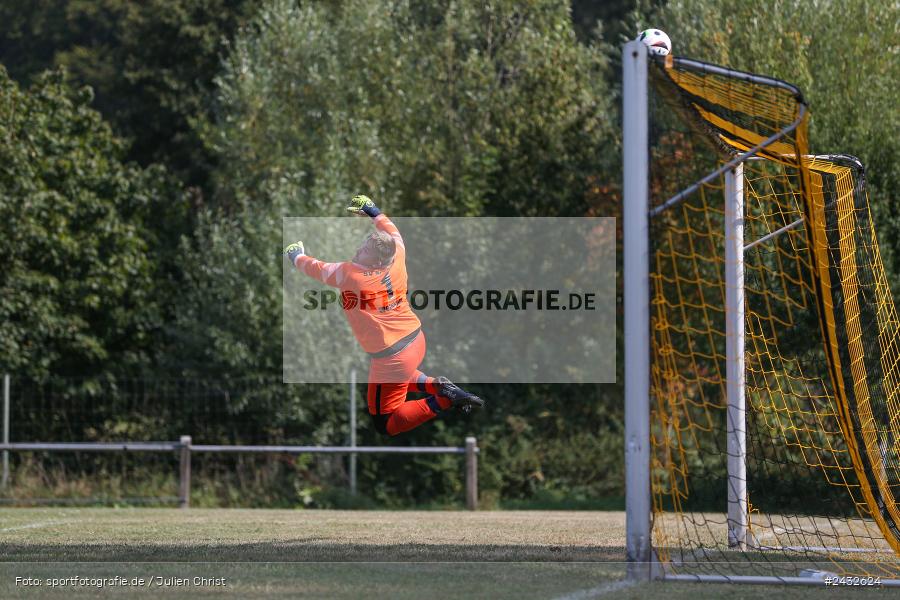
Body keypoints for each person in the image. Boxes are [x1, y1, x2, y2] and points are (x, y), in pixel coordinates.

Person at [284, 195, 484, 436]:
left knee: (386, 424)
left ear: (377, 260)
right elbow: (394, 233)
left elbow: (317, 268)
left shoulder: (352, 275)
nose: (359, 250)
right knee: (401, 378)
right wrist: (373, 212)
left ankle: (443, 400)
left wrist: (295, 255)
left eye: (365, 250)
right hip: (415, 341)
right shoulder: (396, 256)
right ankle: (440, 387)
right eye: (364, 244)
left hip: (392, 357)